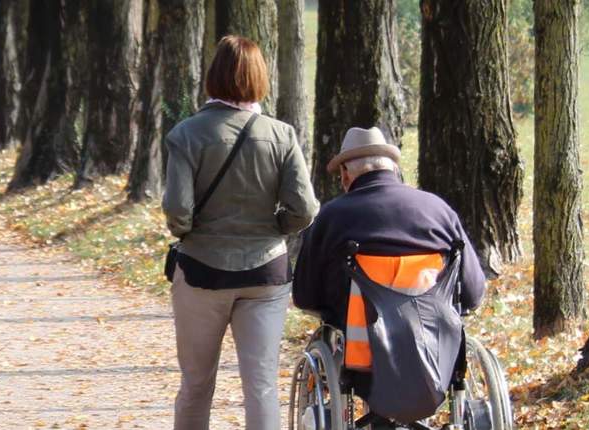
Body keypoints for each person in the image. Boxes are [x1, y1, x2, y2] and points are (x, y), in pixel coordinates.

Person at [162, 35, 320, 430]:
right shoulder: (281, 134)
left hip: (201, 273)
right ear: (259, 77)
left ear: (213, 76)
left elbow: (177, 212)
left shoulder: (186, 134)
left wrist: (193, 231)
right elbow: (305, 208)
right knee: (262, 385)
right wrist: (275, 229)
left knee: (196, 384)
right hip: (265, 274)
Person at [292, 127, 488, 417]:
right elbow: (472, 293)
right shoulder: (439, 211)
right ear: (394, 168)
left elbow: (305, 296)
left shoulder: (332, 217)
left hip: (361, 361)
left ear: (346, 174)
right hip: (436, 355)